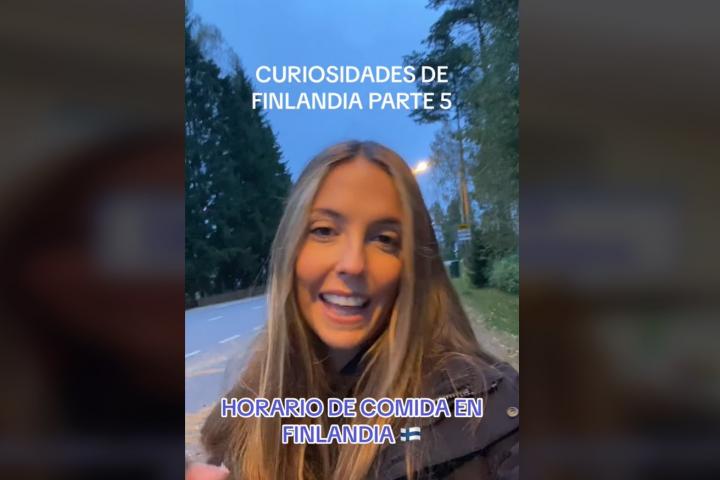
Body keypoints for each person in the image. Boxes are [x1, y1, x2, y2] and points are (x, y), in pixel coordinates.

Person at [199, 141, 519, 480]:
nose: (353, 264)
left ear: (412, 265)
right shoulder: (246, 409)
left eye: (384, 239)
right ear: (290, 251)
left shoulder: (493, 412)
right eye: (324, 231)